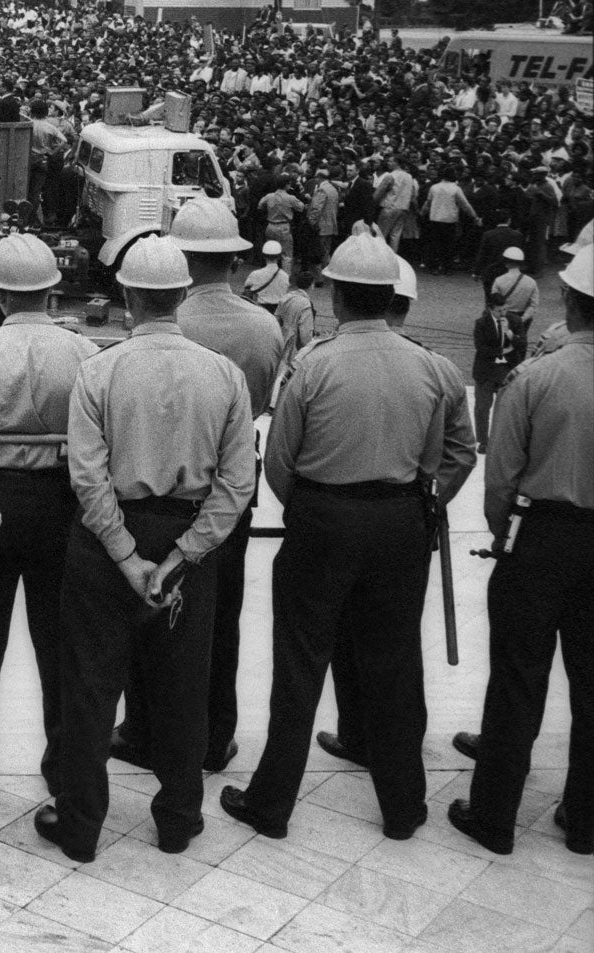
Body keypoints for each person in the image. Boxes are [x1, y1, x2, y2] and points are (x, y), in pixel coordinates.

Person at [222, 234, 475, 843]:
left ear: (338, 297)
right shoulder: (432, 367)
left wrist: (314, 507)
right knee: (394, 662)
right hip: (398, 523)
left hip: (323, 519)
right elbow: (459, 452)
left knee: (301, 664)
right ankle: (403, 806)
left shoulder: (313, 366)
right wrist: (424, 497)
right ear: (390, 296)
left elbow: (280, 459)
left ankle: (272, 801)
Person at [37, 236, 256, 863]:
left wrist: (125, 553)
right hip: (186, 539)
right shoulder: (223, 375)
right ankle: (178, 817)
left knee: (90, 686)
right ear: (183, 294)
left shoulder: (100, 371)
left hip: (108, 544)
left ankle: (80, 822)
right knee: (185, 685)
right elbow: (238, 482)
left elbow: (87, 475)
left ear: (128, 296)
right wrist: (182, 555)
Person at [108, 196, 283, 776]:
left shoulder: (163, 321)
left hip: (148, 479)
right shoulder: (264, 327)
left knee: (144, 614)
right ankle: (213, 735)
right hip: (228, 486)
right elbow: (254, 406)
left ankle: (141, 728)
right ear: (233, 258)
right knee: (218, 616)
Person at [448, 246, 593, 857]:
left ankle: (495, 816)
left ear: (570, 300)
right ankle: (585, 820)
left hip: (541, 537)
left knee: (516, 680)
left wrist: (505, 535)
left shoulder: (538, 377)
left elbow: (501, 477)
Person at [0, 235, 96, 798]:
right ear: (51, 289)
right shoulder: (82, 353)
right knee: (61, 647)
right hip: (62, 503)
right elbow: (93, 444)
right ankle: (63, 768)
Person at [471, 286, 522, 452]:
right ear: (490, 309)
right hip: (487, 369)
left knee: (507, 408)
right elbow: (481, 348)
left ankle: (504, 440)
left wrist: (509, 335)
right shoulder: (481, 324)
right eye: (499, 310)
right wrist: (503, 351)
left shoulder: (514, 321)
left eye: (505, 309)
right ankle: (483, 441)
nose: (503, 313)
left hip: (506, 368)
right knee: (482, 407)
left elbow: (522, 345)